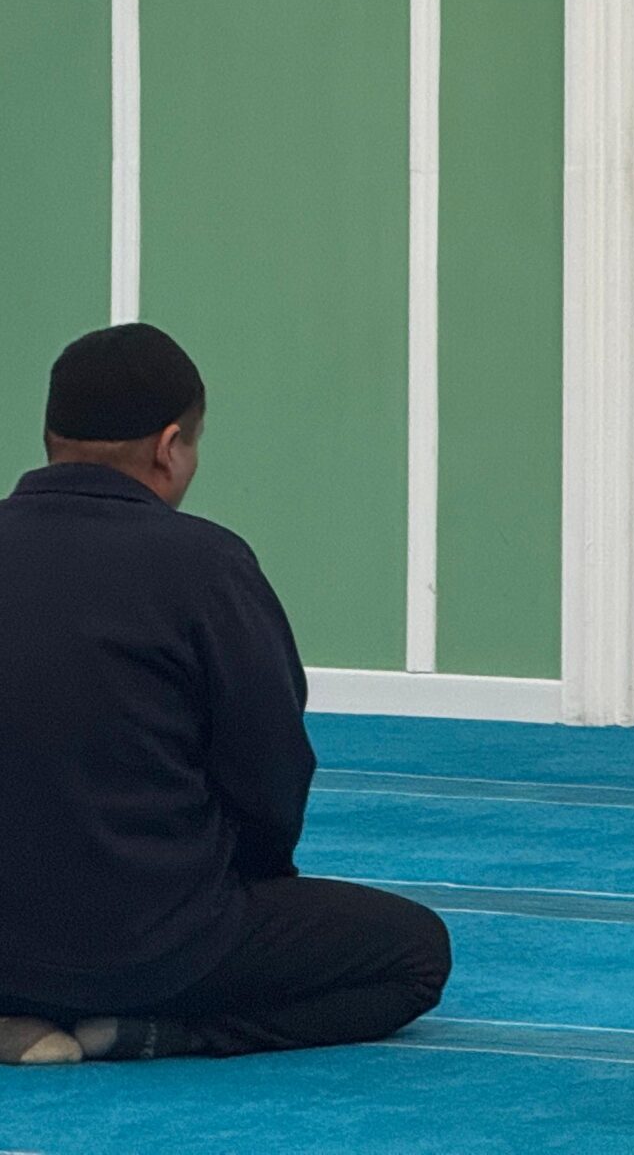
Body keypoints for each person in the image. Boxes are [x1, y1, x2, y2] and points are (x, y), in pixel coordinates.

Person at [0, 325, 450, 1068]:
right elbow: (269, 773)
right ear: (170, 447)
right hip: (153, 947)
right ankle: (156, 1034)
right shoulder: (204, 565)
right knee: (416, 953)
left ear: (49, 437)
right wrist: (245, 889)